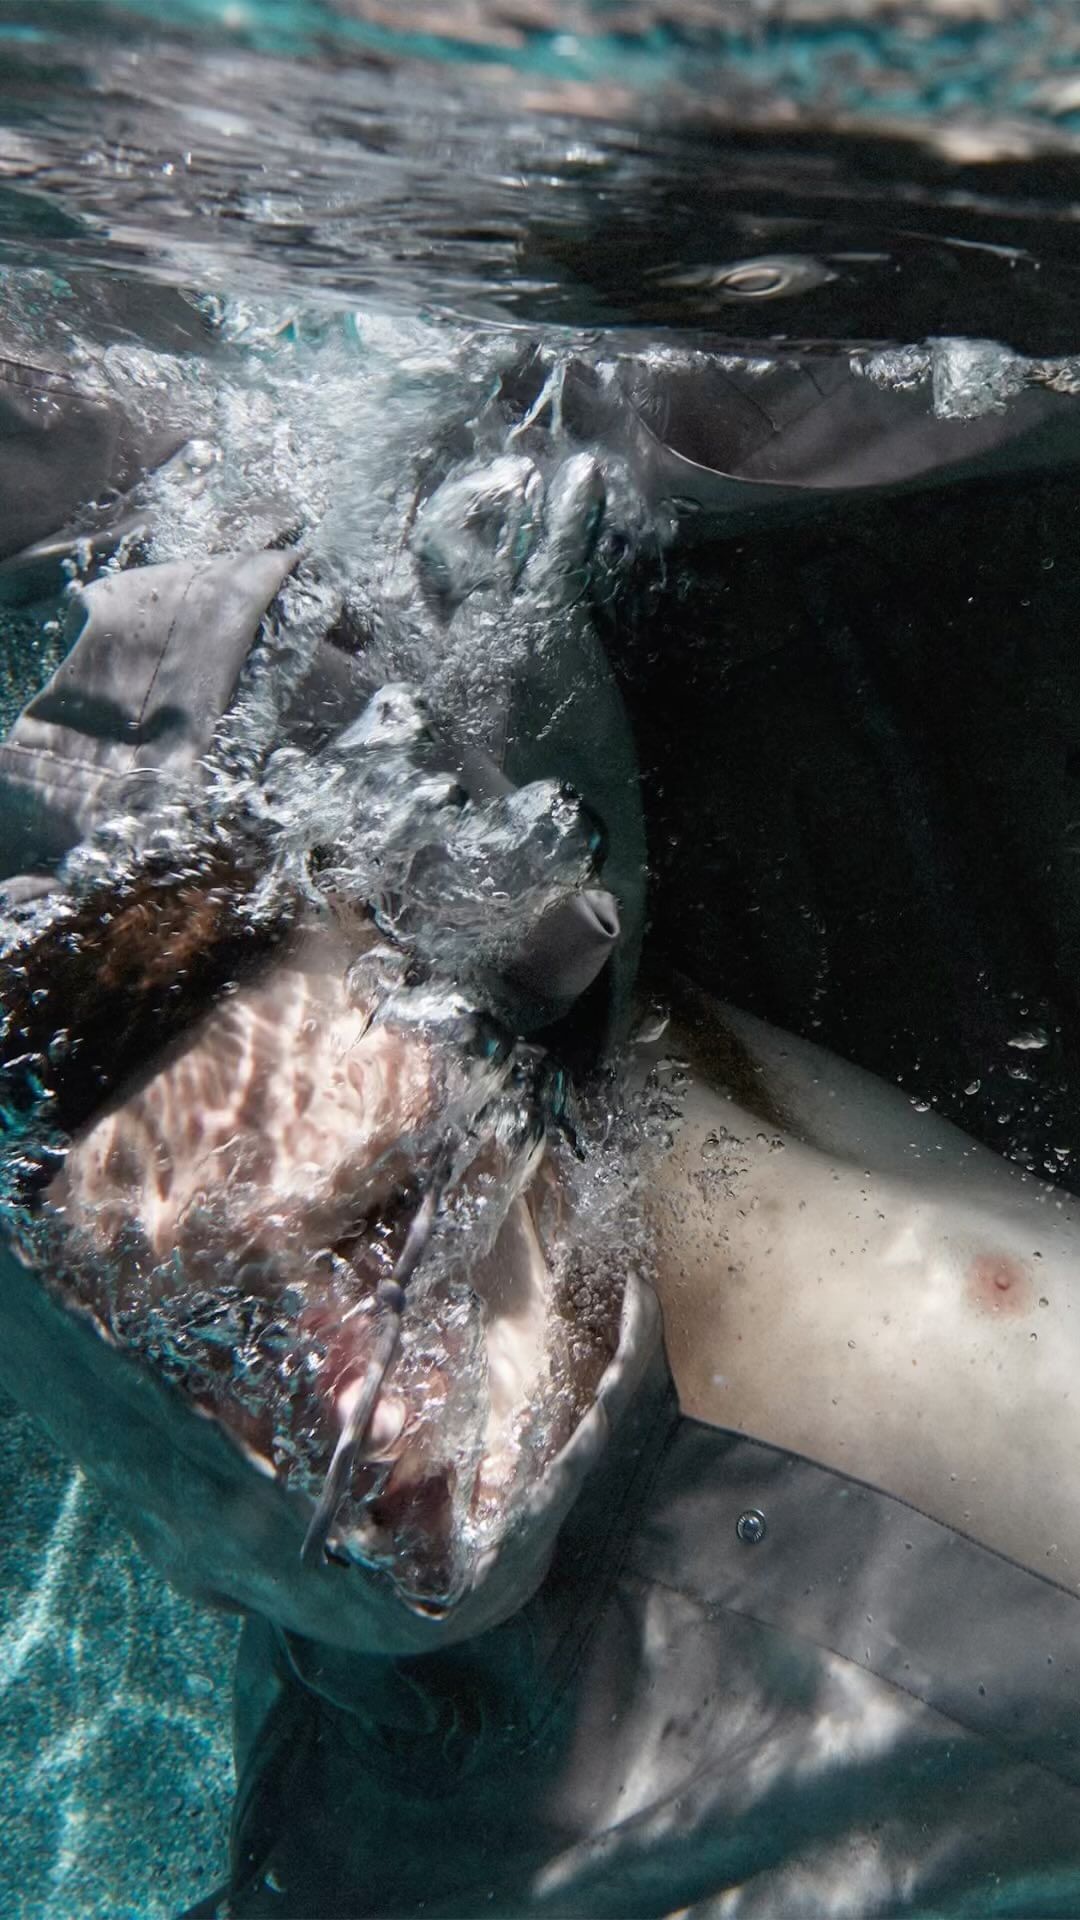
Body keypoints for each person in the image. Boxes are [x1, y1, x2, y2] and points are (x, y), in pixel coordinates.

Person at [4, 329, 1080, 1920]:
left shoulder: (424, 845)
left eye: (379, 1227)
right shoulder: (466, 1850)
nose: (348, 1409)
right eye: (204, 1337)